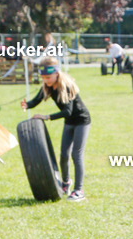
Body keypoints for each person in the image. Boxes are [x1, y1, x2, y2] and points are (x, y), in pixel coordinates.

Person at [21, 56, 90, 202]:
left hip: (81, 121)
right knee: (63, 155)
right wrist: (27, 105)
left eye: (48, 77)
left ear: (56, 73)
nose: (45, 80)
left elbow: (68, 111)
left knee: (76, 155)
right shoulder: (47, 86)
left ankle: (79, 190)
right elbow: (36, 100)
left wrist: (46, 117)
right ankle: (66, 183)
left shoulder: (65, 86)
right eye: (43, 77)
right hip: (69, 123)